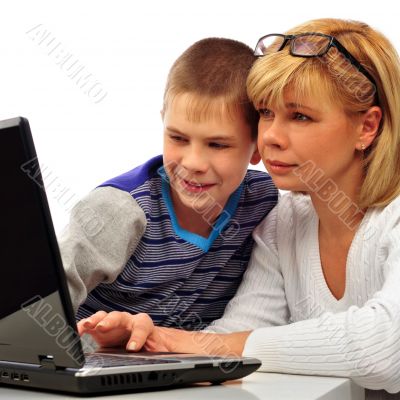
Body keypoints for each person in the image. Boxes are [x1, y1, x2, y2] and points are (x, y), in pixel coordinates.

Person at [77, 18, 400, 398]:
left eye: (300, 116)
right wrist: (141, 344)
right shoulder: (284, 220)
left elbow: (384, 351)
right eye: (266, 113)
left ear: (367, 127)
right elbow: (235, 335)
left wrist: (188, 342)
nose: (271, 137)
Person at [59, 37, 278, 330]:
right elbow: (41, 305)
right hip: (95, 362)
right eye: (178, 138)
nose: (192, 163)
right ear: (163, 122)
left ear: (258, 147)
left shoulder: (266, 203)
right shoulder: (118, 210)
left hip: (192, 367)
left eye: (217, 144)